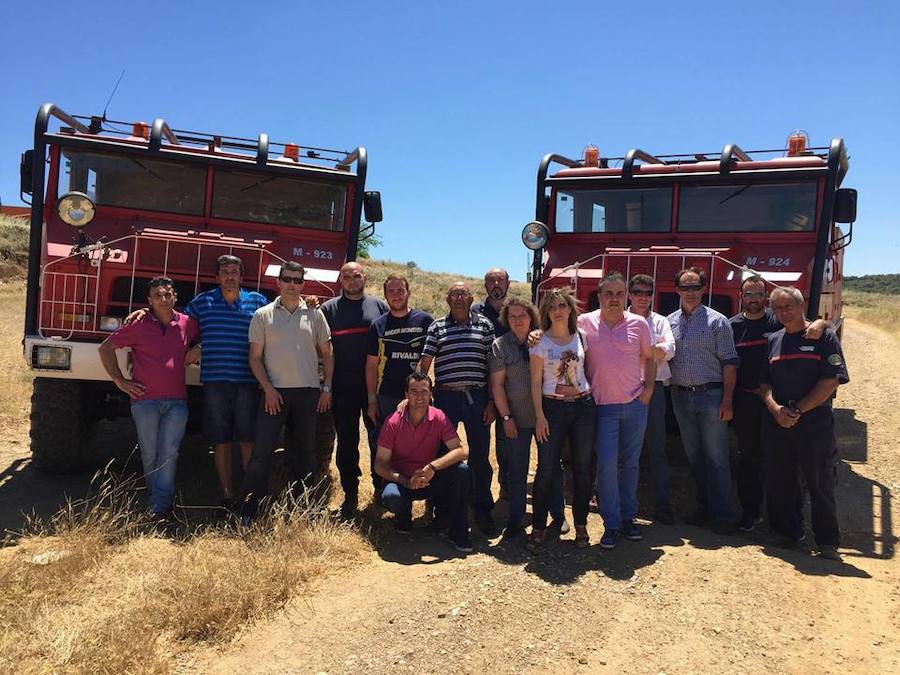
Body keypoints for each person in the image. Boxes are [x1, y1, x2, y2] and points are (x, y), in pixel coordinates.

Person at [729, 275, 828, 533]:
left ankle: (789, 519)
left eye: (759, 294)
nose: (753, 299)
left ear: (766, 297)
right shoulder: (731, 326)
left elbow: (808, 323)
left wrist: (823, 321)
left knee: (783, 461)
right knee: (749, 458)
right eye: (748, 294)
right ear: (741, 296)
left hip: (779, 402)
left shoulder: (777, 319)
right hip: (747, 401)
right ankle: (751, 512)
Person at [99, 277, 200, 518]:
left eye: (167, 295)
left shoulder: (187, 323)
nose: (163, 299)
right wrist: (120, 381)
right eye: (157, 296)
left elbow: (216, 332)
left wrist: (202, 347)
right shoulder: (139, 325)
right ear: (150, 300)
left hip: (177, 402)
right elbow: (105, 348)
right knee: (149, 452)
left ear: (175, 296)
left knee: (170, 452)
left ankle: (159, 505)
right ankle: (159, 499)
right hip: (144, 402)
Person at [759, 286, 848, 561]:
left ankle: (827, 542)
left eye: (789, 306)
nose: (784, 312)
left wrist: (797, 410)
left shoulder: (824, 337)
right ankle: (788, 534)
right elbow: (764, 384)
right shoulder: (773, 340)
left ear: (801, 306)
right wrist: (776, 410)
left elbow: (831, 380)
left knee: (819, 481)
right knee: (781, 480)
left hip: (814, 423)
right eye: (778, 308)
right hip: (779, 422)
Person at [239, 262, 333, 520]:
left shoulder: (315, 314)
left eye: (297, 280)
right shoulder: (263, 315)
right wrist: (267, 388)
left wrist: (326, 387)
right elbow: (255, 358)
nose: (292, 284)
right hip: (274, 394)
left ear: (303, 284)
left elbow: (327, 353)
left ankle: (303, 510)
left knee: (305, 455)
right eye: (287, 279)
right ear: (278, 283)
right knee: (262, 453)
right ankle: (249, 508)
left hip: (308, 393)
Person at [579, 273, 656, 549]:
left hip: (635, 404)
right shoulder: (583, 323)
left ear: (626, 297)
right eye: (608, 293)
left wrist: (648, 391)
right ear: (599, 297)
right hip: (601, 407)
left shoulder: (639, 324)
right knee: (607, 465)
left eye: (620, 293)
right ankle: (611, 524)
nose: (614, 298)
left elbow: (649, 357)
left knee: (630, 463)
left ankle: (628, 519)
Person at [185, 255, 268, 510]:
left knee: (247, 440)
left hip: (247, 383)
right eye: (225, 271)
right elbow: (178, 322)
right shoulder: (202, 302)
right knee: (220, 441)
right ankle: (227, 496)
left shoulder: (257, 301)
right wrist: (145, 312)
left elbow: (278, 322)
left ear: (242, 277)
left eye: (234, 271)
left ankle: (249, 497)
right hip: (214, 383)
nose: (230, 275)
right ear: (217, 277)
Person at [418, 282, 497, 534]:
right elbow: (425, 364)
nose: (459, 298)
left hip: (478, 397)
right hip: (446, 398)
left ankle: (482, 508)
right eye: (455, 294)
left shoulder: (484, 325)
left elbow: (493, 365)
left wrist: (493, 401)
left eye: (463, 294)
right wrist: (420, 394)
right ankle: (442, 511)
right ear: (447, 299)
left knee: (480, 455)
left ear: (472, 298)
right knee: (442, 454)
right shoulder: (437, 326)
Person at [667, 266, 740, 534]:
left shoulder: (717, 321)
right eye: (685, 287)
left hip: (711, 396)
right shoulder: (670, 321)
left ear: (703, 290)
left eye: (695, 287)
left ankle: (723, 515)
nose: (690, 292)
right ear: (677, 290)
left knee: (717, 457)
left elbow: (730, 363)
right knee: (694, 456)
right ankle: (703, 509)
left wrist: (728, 401)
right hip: (680, 397)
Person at [489, 297, 569, 539]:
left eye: (522, 315)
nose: (517, 320)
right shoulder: (500, 346)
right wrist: (505, 417)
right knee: (516, 469)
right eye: (512, 316)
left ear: (531, 316)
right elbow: (498, 386)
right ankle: (516, 518)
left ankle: (558, 515)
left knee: (552, 467)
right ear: (506, 319)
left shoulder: (544, 340)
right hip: (516, 419)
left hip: (547, 416)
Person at [375, 372, 473, 553]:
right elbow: (380, 465)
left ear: (431, 394)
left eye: (424, 391)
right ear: (406, 395)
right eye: (414, 391)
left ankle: (458, 533)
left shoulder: (438, 417)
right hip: (403, 481)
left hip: (429, 478)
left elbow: (462, 450)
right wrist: (404, 480)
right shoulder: (393, 422)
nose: (419, 396)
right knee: (392, 498)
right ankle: (403, 516)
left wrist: (433, 467)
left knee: (462, 471)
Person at [321, 262, 389, 520]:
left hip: (375, 388)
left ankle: (381, 492)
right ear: (340, 280)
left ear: (364, 278)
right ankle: (350, 497)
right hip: (342, 388)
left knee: (378, 441)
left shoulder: (379, 306)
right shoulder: (330, 309)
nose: (351, 280)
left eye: (356, 275)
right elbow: (323, 349)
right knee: (347, 443)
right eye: (346, 276)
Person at [528, 289, 595, 550]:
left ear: (570, 309)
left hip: (582, 407)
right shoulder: (539, 342)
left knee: (582, 466)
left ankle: (580, 524)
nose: (557, 310)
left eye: (562, 305)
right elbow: (535, 382)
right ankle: (538, 527)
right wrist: (540, 417)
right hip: (552, 409)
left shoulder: (582, 337)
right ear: (546, 312)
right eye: (552, 306)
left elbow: (586, 371)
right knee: (546, 469)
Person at [365, 275, 434, 495]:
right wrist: (371, 400)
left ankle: (425, 491)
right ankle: (384, 490)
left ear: (408, 292)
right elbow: (371, 365)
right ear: (385, 296)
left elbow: (429, 360)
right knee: (384, 444)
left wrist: (420, 392)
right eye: (391, 292)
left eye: (400, 290)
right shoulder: (378, 325)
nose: (396, 295)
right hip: (387, 395)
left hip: (419, 396)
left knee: (424, 443)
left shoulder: (425, 321)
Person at [627, 274, 677, 525]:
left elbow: (668, 350)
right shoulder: (617, 320)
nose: (642, 297)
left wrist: (639, 352)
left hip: (655, 390)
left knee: (657, 448)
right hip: (623, 389)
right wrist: (650, 351)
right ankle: (610, 497)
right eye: (637, 292)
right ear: (629, 294)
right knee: (620, 448)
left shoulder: (661, 321)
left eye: (647, 293)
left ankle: (663, 505)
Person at [472, 268, 512, 502]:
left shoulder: (518, 310)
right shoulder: (475, 311)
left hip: (511, 387)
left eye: (500, 280)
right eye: (491, 280)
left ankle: (506, 487)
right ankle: (479, 493)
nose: (496, 284)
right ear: (485, 285)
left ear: (508, 283)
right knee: (480, 442)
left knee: (507, 442)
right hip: (481, 385)